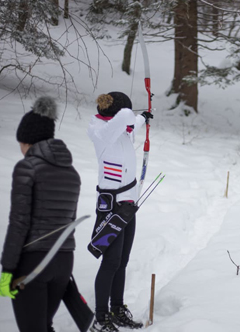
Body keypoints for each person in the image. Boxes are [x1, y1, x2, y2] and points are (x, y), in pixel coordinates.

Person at [0, 96, 81, 332]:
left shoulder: (27, 167)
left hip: (33, 263)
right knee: (43, 326)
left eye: (21, 143)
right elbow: (68, 221)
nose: (21, 149)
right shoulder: (72, 172)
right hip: (63, 262)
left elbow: (18, 222)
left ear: (28, 140)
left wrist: (7, 270)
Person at [88, 92, 153, 332]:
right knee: (111, 261)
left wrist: (143, 117)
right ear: (116, 115)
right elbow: (124, 119)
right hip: (111, 206)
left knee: (122, 261)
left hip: (128, 203)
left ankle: (116, 309)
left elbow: (129, 121)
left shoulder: (120, 125)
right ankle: (100, 317)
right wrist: (130, 113)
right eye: (125, 114)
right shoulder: (99, 131)